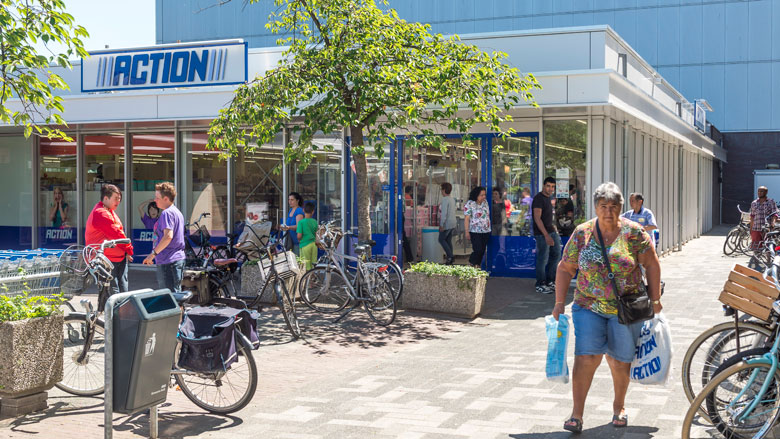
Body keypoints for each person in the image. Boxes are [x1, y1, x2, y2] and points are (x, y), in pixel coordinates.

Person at [552, 182, 662, 433]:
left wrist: (655, 300)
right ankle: (576, 415)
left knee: (619, 360)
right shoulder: (582, 233)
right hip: (588, 305)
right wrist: (559, 302)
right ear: (596, 207)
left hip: (626, 307)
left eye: (614, 206)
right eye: (604, 206)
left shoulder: (634, 233)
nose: (609, 212)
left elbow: (652, 265)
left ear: (621, 207)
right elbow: (565, 268)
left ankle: (619, 406)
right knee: (587, 356)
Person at [85, 184, 133, 296]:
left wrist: (125, 251)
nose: (118, 201)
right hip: (107, 261)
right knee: (114, 293)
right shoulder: (100, 212)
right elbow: (117, 234)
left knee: (122, 292)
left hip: (117, 258)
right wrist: (129, 250)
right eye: (116, 198)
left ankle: (122, 313)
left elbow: (119, 232)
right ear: (106, 198)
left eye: (120, 199)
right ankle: (115, 313)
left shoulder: (108, 210)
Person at [143, 182, 186, 293]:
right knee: (176, 296)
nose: (155, 200)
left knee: (169, 298)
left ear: (166, 198)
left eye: (157, 198)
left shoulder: (167, 213)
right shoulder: (177, 212)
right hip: (175, 259)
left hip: (168, 260)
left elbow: (168, 236)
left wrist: (153, 254)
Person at [533, 177, 562, 294]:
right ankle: (540, 284)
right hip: (542, 234)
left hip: (551, 232)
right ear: (543, 186)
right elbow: (537, 218)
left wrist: (554, 230)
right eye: (548, 186)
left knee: (556, 255)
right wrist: (546, 235)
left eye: (553, 187)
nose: (550, 189)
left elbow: (548, 217)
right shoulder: (538, 199)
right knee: (542, 259)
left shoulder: (549, 198)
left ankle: (550, 281)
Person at [464, 186, 490, 267]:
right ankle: (471, 262)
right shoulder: (470, 204)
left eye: (484, 195)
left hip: (486, 230)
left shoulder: (485, 202)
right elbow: (467, 219)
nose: (484, 197)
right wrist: (467, 231)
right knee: (477, 249)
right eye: (481, 195)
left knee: (482, 250)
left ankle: (477, 265)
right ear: (476, 195)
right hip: (475, 231)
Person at [297, 202, 318, 271]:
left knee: (305, 264)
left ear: (303, 210)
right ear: (313, 211)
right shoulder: (315, 221)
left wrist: (299, 240)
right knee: (313, 263)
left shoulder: (301, 222)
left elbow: (299, 235)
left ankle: (307, 279)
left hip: (305, 245)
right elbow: (316, 233)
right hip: (314, 244)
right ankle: (313, 278)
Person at [438, 182, 456, 265]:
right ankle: (450, 259)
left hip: (447, 224)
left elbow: (444, 213)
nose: (441, 191)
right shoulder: (452, 199)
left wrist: (441, 224)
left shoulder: (445, 200)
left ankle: (450, 256)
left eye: (441, 189)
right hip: (453, 223)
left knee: (441, 239)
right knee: (448, 241)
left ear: (444, 190)